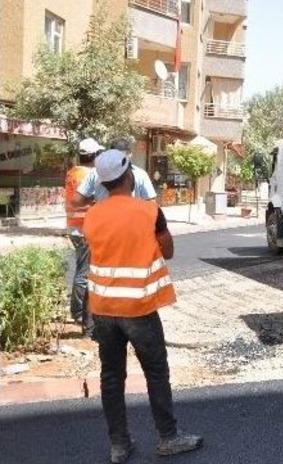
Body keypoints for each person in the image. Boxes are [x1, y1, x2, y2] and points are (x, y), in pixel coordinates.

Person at [83, 150, 202, 463]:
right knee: (156, 373)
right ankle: (168, 438)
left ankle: (119, 446)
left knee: (111, 377)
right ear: (128, 176)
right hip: (140, 308)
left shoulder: (92, 215)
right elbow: (169, 250)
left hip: (104, 309)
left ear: (104, 183)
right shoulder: (149, 211)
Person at [65, 138, 104, 337]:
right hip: (85, 229)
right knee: (84, 273)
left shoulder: (73, 172)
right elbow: (88, 200)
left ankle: (76, 310)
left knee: (81, 269)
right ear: (93, 155)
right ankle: (79, 312)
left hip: (75, 227)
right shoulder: (88, 175)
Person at [74, 136, 157, 206]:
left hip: (102, 221)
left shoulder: (95, 172)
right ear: (130, 154)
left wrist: (95, 201)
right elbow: (151, 204)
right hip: (131, 222)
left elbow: (77, 200)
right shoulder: (140, 174)